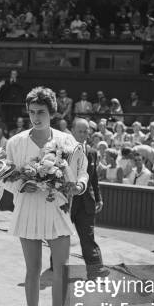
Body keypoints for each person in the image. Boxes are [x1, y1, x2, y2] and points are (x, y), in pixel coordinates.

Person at [1, 86, 88, 306]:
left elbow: (82, 171)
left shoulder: (67, 141)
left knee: (61, 270)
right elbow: (4, 176)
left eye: (41, 112)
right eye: (31, 112)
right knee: (32, 270)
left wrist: (80, 186)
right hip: (27, 210)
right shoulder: (15, 142)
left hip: (57, 211)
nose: (36, 117)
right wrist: (19, 186)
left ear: (52, 113)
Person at [70, 118, 105, 278]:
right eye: (80, 131)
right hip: (66, 202)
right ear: (72, 131)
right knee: (60, 236)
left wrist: (99, 198)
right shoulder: (63, 150)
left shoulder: (92, 152)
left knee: (88, 237)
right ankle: (55, 266)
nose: (83, 134)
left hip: (86, 203)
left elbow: (94, 178)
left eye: (86, 132)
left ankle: (96, 270)